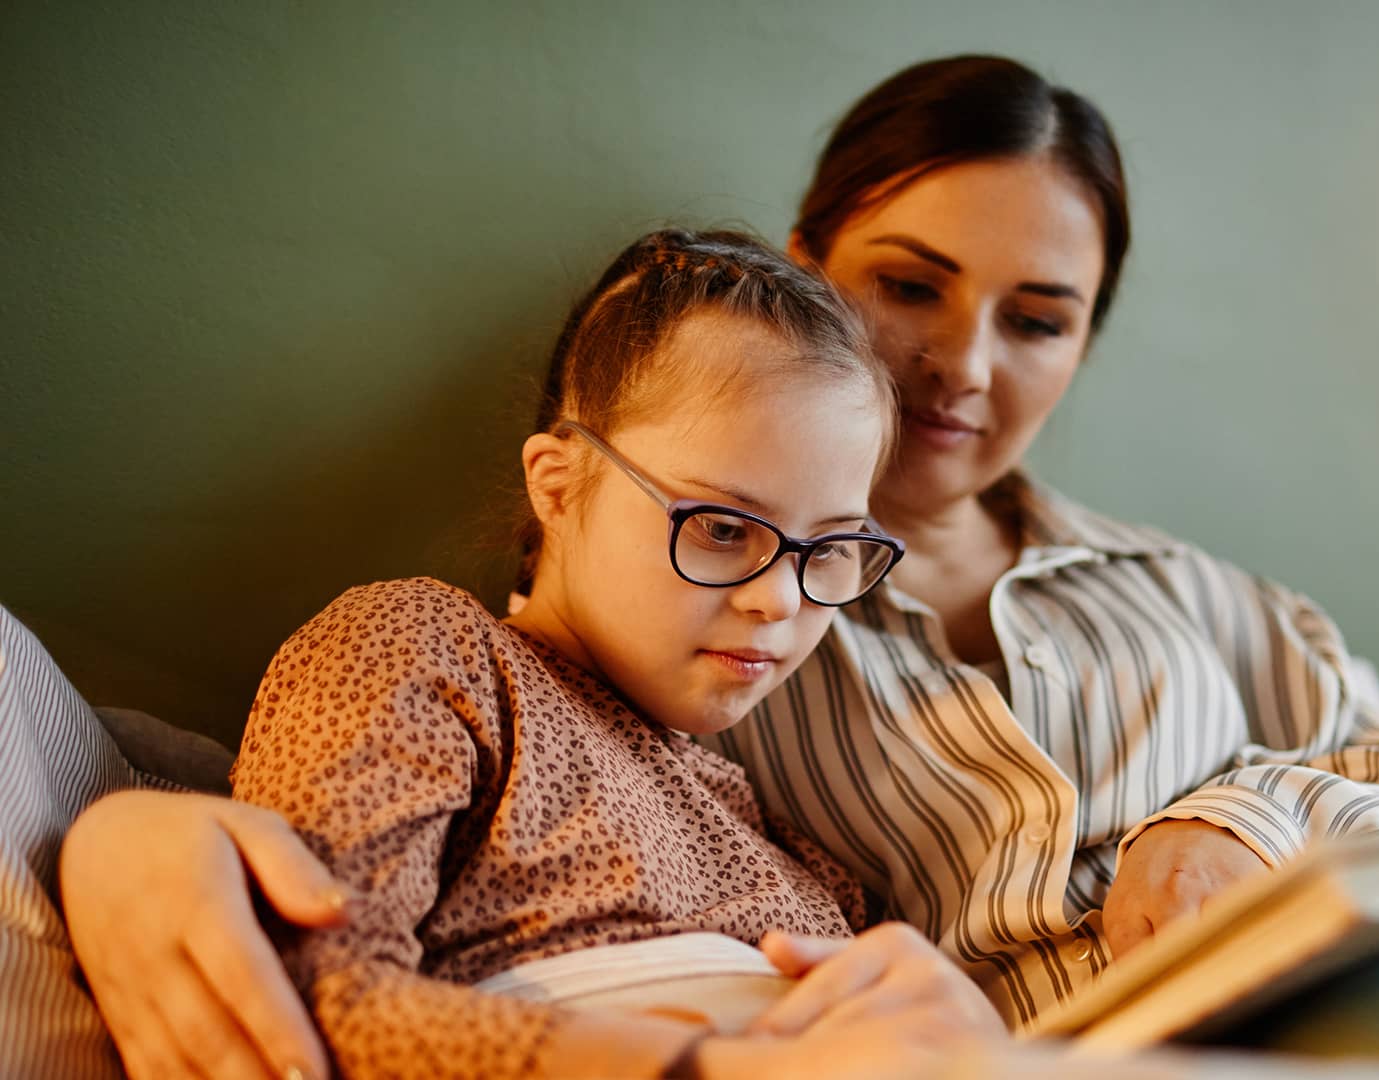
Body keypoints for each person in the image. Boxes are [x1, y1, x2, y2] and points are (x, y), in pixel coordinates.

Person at [61, 55, 1379, 1080]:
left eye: (1040, 318)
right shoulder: (746, 653)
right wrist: (119, 829)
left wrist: (1237, 815)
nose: (967, 365)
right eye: (907, 289)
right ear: (815, 270)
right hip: (1165, 1025)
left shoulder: (1179, 585)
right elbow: (353, 870)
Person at [83, 226, 1014, 1080]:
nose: (779, 597)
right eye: (724, 527)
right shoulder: (430, 651)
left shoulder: (783, 844)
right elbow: (316, 1002)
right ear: (560, 486)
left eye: (826, 550)